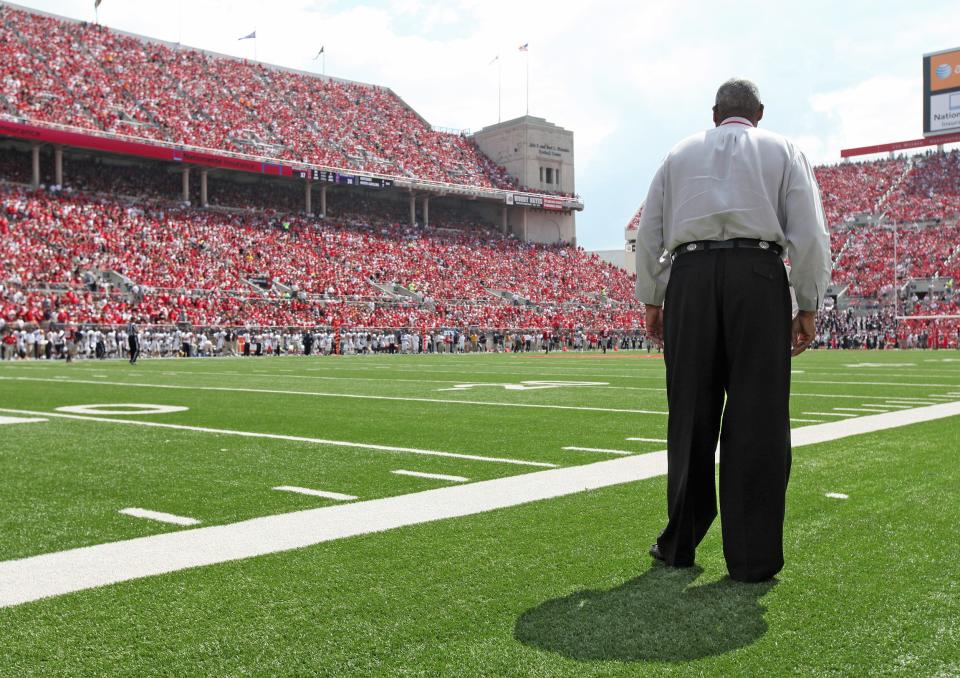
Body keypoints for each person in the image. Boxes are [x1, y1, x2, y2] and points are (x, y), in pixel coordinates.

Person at [635, 78, 831, 582]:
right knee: (758, 419)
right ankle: (752, 558)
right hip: (759, 275)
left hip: (691, 277)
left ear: (714, 111)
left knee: (690, 416)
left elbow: (649, 232)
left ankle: (679, 542)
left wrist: (653, 297)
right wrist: (807, 303)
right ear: (759, 112)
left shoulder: (678, 153)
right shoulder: (784, 149)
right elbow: (809, 233)